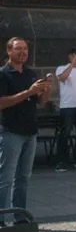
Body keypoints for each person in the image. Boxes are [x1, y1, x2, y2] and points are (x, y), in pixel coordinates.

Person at [0, 38, 51, 216]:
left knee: (23, 178)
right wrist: (29, 92)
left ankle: (20, 218)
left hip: (30, 131)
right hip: (11, 131)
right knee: (6, 179)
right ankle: (2, 218)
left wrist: (46, 89)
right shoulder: (3, 74)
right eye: (18, 49)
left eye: (25, 49)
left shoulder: (30, 73)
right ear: (9, 51)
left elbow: (41, 102)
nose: (23, 52)